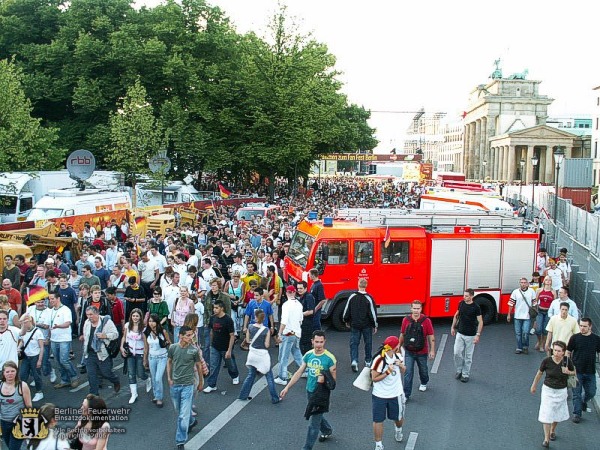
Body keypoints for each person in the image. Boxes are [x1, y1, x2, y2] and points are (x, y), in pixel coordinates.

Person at [280, 330, 337, 450]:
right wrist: (287, 387)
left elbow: (333, 383)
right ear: (312, 341)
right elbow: (299, 372)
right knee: (315, 413)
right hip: (310, 391)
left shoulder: (330, 358)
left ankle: (306, 448)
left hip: (322, 394)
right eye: (317, 342)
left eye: (321, 342)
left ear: (324, 342)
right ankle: (327, 429)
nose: (319, 345)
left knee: (313, 424)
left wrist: (324, 379)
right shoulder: (308, 355)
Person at [530, 341, 575, 448]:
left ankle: (552, 430)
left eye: (559, 351)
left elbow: (574, 372)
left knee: (556, 413)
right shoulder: (547, 361)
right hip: (548, 390)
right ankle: (546, 439)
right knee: (546, 413)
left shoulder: (567, 361)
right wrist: (534, 385)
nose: (556, 353)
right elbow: (539, 373)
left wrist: (568, 372)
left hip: (561, 391)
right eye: (555, 350)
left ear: (563, 352)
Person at [167, 326, 203, 450]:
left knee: (182, 416)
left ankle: (180, 441)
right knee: (179, 410)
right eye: (188, 335)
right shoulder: (173, 348)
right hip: (175, 385)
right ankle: (192, 421)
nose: (190, 337)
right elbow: (169, 361)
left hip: (188, 386)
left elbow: (198, 366)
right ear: (180, 336)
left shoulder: (193, 350)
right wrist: (169, 378)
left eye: (192, 335)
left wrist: (201, 382)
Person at [238, 309, 280, 404]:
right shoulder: (266, 330)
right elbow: (267, 345)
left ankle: (243, 395)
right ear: (263, 318)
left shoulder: (250, 327)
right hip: (262, 355)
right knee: (269, 377)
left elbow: (248, 341)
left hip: (252, 354)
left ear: (255, 317)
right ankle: (275, 398)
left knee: (251, 375)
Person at [371, 336, 406, 450]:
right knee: (378, 420)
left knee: (398, 418)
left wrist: (400, 365)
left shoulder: (399, 356)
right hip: (380, 395)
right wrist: (388, 372)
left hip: (396, 394)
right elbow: (374, 378)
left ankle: (398, 429)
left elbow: (403, 370)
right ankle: (379, 444)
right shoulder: (379, 360)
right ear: (395, 347)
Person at [80, 306, 121, 397]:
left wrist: (105, 335)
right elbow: (86, 337)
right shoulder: (87, 323)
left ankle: (115, 380)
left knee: (105, 373)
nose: (89, 317)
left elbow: (116, 334)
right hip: (90, 354)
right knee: (91, 376)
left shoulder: (106, 322)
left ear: (97, 313)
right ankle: (94, 396)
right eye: (87, 315)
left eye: (91, 314)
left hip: (102, 354)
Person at [399, 300, 435, 400]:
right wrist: (398, 346)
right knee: (408, 373)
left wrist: (432, 350)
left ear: (421, 309)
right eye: (414, 308)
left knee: (423, 370)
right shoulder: (405, 320)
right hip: (409, 351)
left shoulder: (426, 321)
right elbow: (402, 334)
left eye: (418, 308)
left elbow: (431, 336)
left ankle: (424, 382)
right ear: (411, 309)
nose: (416, 310)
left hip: (422, 352)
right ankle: (406, 395)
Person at [567, 318, 600, 423]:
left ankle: (583, 401)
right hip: (576, 371)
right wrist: (568, 365)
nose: (582, 328)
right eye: (580, 325)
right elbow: (568, 352)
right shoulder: (575, 338)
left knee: (591, 392)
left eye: (585, 326)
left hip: (590, 371)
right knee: (576, 393)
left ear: (590, 327)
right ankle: (577, 413)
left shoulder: (596, 339)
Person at [203, 300, 239, 392]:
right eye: (214, 308)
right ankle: (212, 385)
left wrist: (229, 350)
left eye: (216, 308)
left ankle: (235, 375)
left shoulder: (228, 320)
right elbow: (211, 331)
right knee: (214, 366)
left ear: (222, 308)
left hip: (225, 347)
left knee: (230, 364)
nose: (214, 310)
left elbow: (232, 336)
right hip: (215, 346)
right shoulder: (212, 318)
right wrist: (211, 344)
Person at [343, 278, 378, 371]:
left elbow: (346, 310)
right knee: (368, 343)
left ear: (358, 284)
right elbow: (372, 313)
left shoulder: (352, 296)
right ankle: (368, 360)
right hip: (366, 325)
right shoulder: (369, 298)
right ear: (366, 285)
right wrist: (375, 325)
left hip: (355, 324)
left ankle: (354, 361)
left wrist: (346, 320)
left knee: (354, 343)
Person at [48, 290, 79, 389]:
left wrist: (58, 326)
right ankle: (64, 380)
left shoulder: (65, 309)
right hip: (54, 339)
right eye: (49, 299)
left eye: (52, 298)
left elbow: (68, 323)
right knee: (57, 361)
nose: (51, 300)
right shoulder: (51, 310)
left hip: (64, 339)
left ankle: (74, 377)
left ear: (58, 298)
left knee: (64, 360)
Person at [275, 285, 305, 385]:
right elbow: (301, 320)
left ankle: (282, 377)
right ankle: (305, 371)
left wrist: (279, 333)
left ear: (287, 293)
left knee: (284, 356)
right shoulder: (299, 304)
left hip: (288, 332)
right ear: (295, 292)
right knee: (297, 353)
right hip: (297, 332)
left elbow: (284, 321)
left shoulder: (286, 305)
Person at [451, 289, 483, 383]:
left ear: (472, 296)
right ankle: (459, 370)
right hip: (460, 333)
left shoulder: (476, 307)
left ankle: (465, 374)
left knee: (468, 356)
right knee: (456, 353)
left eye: (466, 296)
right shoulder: (461, 304)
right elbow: (456, 315)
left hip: (471, 335)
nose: (464, 297)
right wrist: (453, 327)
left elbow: (480, 321)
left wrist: (478, 335)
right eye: (464, 295)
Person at [0, 361, 32, 450]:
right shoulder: (0, 385)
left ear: (16, 372)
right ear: (3, 373)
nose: (10, 374)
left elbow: (29, 406)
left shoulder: (22, 386)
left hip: (19, 423)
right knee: (8, 445)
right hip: (4, 422)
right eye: (7, 372)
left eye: (12, 371)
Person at [121, 308, 149, 403]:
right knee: (131, 374)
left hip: (139, 353)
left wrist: (145, 358)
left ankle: (147, 378)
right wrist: (121, 347)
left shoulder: (143, 329)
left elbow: (146, 344)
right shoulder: (127, 326)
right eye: (133, 316)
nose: (135, 318)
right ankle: (134, 394)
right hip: (130, 354)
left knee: (140, 374)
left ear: (140, 317)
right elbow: (124, 337)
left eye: (137, 316)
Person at [143, 313, 171, 408]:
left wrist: (171, 358)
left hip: (162, 357)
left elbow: (169, 343)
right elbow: (146, 348)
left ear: (157, 322)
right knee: (154, 377)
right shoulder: (146, 333)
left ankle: (159, 398)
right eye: (150, 321)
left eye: (153, 321)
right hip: (152, 357)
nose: (151, 323)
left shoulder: (163, 331)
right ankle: (156, 395)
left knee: (158, 378)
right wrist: (145, 359)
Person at [17, 314, 45, 402]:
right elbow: (22, 341)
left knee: (36, 375)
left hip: (35, 357)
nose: (24, 324)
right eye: (22, 322)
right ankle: (22, 391)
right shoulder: (23, 331)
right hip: (26, 356)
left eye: (25, 322)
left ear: (30, 321)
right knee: (22, 374)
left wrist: (39, 360)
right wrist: (18, 348)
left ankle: (39, 392)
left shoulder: (37, 332)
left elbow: (41, 347)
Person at [507, 277, 537, 354]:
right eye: (522, 282)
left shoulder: (531, 291)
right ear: (520, 283)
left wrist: (534, 312)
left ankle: (525, 346)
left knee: (525, 332)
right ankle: (519, 347)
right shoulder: (515, 292)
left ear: (527, 283)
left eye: (524, 282)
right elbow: (511, 304)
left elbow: (534, 303)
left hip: (527, 316)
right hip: (517, 316)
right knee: (518, 333)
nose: (523, 284)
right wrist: (509, 315)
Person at [535, 277, 556, 352]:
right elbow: (536, 300)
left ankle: (542, 344)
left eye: (549, 280)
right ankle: (539, 340)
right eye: (546, 280)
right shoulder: (539, 290)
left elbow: (554, 303)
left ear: (551, 282)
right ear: (544, 281)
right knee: (538, 329)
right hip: (540, 311)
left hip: (548, 312)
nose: (548, 281)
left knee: (545, 330)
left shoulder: (553, 292)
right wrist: (535, 309)